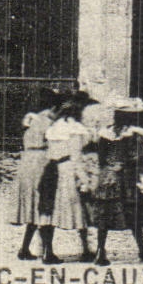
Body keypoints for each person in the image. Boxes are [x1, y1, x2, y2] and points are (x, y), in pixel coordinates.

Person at [86, 97, 143, 266]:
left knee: (105, 214)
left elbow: (101, 157)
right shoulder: (134, 135)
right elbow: (137, 158)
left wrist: (108, 168)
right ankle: (142, 248)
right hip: (125, 178)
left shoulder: (106, 133)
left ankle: (101, 251)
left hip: (106, 177)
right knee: (133, 212)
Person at [45, 89, 98, 262]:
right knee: (79, 209)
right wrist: (84, 180)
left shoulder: (54, 128)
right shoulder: (74, 130)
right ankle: (85, 249)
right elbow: (76, 158)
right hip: (67, 170)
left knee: (49, 210)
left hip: (51, 170)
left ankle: (48, 251)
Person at [11, 90, 63, 261]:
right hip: (42, 161)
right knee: (46, 206)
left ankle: (24, 248)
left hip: (26, 162)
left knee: (33, 206)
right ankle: (48, 251)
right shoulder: (50, 123)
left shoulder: (30, 119)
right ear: (54, 106)